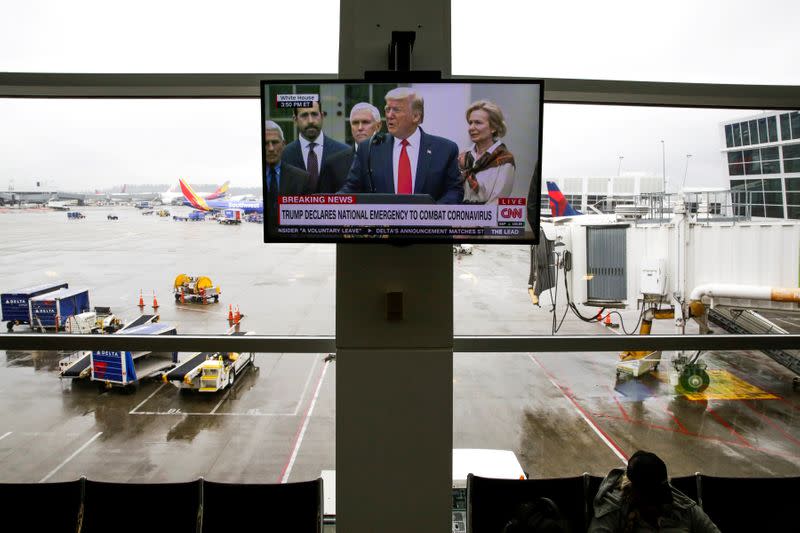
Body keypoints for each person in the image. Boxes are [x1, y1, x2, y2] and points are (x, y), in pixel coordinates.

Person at [338, 87, 463, 204]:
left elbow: (454, 191)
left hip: (428, 225)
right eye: (387, 109)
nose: (389, 115)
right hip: (382, 226)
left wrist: (431, 215)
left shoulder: (445, 150)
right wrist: (327, 205)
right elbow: (351, 189)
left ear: (416, 116)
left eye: (396, 110)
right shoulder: (369, 148)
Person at [589, 451, 721, 532]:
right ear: (635, 494)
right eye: (652, 501)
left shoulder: (683, 508)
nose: (660, 506)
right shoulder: (615, 510)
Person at [281, 100, 350, 193]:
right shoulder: (284, 155)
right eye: (304, 115)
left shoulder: (344, 153)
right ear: (295, 119)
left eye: (314, 114)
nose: (311, 121)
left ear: (321, 116)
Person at [458, 100, 515, 204]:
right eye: (470, 123)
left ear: (493, 127)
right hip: (460, 217)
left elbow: (497, 200)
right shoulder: (464, 156)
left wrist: (476, 219)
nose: (471, 128)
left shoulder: (504, 159)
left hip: (487, 218)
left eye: (478, 123)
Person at [319, 102, 382, 193]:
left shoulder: (390, 157)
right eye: (355, 123)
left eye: (365, 122)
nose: (360, 128)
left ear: (378, 126)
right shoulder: (333, 163)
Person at [264, 120, 312, 228]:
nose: (271, 148)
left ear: (283, 144)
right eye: (266, 143)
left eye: (275, 142)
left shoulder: (302, 179)